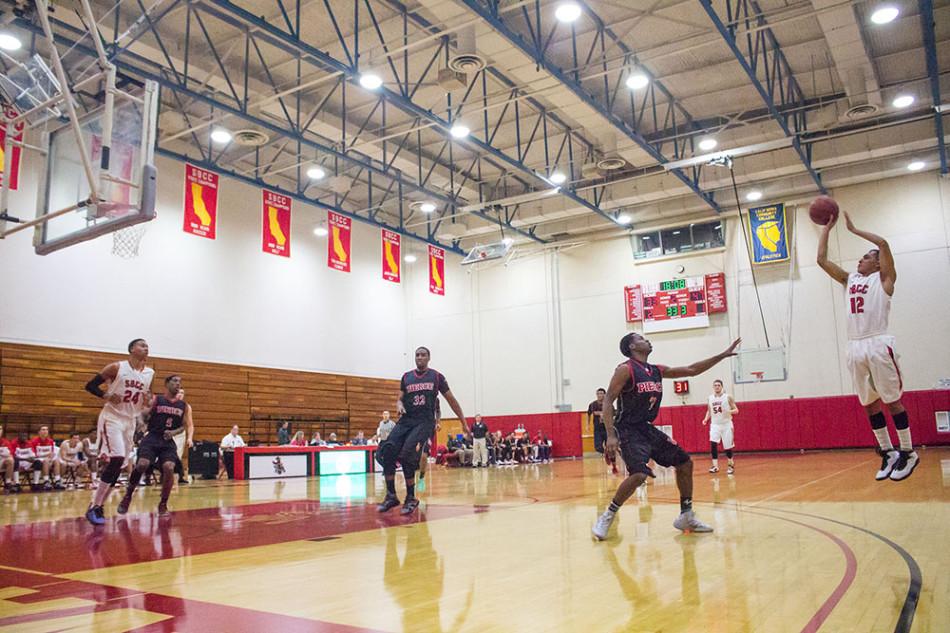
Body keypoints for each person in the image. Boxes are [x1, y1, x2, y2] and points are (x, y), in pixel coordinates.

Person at [592, 332, 740, 540]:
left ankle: (686, 515)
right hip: (627, 428)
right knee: (639, 475)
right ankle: (607, 516)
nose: (647, 340)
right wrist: (610, 435)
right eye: (641, 338)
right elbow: (608, 400)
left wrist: (722, 355)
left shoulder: (655, 370)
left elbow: (692, 369)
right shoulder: (625, 369)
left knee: (685, 463)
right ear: (633, 347)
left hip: (646, 427)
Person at [817, 212, 918, 481]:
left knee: (892, 400)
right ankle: (888, 452)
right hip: (854, 346)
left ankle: (908, 450)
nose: (860, 259)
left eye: (866, 257)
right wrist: (826, 229)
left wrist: (853, 229)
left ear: (877, 264)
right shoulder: (849, 279)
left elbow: (883, 244)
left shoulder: (884, 281)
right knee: (869, 404)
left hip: (877, 342)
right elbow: (821, 260)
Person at [378, 346, 468, 515]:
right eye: (417, 355)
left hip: (424, 422)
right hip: (406, 420)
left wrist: (463, 422)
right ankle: (391, 495)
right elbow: (400, 398)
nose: (419, 357)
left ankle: (411, 497)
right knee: (387, 449)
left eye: (423, 355)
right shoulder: (406, 377)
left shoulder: (436, 377)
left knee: (407, 454)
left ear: (429, 358)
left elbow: (451, 400)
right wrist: (399, 404)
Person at [83, 338, 155, 525]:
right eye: (142, 345)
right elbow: (90, 386)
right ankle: (95, 506)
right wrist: (106, 395)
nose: (146, 348)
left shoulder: (149, 373)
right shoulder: (116, 368)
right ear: (132, 349)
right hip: (112, 417)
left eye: (147, 346)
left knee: (120, 463)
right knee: (116, 458)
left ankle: (98, 505)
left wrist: (147, 404)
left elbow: (144, 398)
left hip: (130, 421)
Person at [117, 374, 192, 516]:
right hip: (152, 437)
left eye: (180, 382)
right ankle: (128, 496)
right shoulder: (157, 399)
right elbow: (142, 415)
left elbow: (183, 426)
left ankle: (163, 503)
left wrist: (174, 432)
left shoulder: (183, 406)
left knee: (169, 467)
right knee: (142, 464)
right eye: (175, 381)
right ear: (167, 383)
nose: (178, 384)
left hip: (167, 441)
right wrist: (141, 426)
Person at [701, 380, 739, 474]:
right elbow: (709, 411)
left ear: (722, 386)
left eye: (718, 385)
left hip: (726, 424)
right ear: (713, 387)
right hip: (715, 425)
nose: (717, 387)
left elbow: (736, 410)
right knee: (713, 444)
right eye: (715, 385)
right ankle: (715, 466)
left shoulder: (728, 397)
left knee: (727, 446)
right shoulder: (710, 398)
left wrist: (728, 411)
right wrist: (706, 419)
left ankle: (730, 465)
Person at [30, 425, 64, 490]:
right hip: (38, 460)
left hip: (48, 459)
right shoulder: (34, 441)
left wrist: (50, 457)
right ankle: (46, 481)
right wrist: (45, 455)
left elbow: (52, 453)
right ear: (39, 432)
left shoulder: (50, 441)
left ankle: (57, 481)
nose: (45, 431)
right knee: (45, 460)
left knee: (56, 460)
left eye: (46, 430)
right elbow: (33, 454)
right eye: (43, 429)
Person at [0, 424, 16, 493]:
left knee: (10, 460)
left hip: (1, 461)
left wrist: (9, 456)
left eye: (0, 429)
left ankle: (8, 483)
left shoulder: (5, 441)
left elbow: (11, 453)